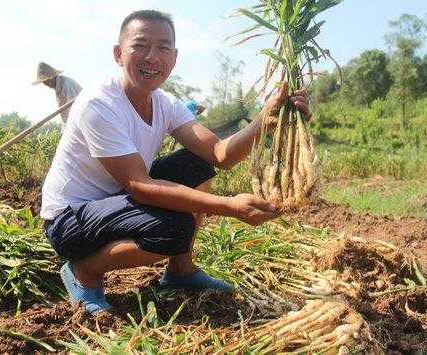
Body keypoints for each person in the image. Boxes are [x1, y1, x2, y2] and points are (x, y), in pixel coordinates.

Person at [40, 10, 311, 314]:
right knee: (173, 230)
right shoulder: (99, 104)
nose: (152, 57)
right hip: (70, 219)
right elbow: (140, 186)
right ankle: (84, 272)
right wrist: (230, 206)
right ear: (118, 53)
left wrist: (266, 119)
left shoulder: (165, 103)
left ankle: (181, 270)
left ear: (174, 57)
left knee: (197, 164)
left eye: (163, 48)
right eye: (140, 45)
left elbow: (220, 153)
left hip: (115, 201)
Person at [32, 62, 82, 128]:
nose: (45, 84)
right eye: (43, 82)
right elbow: (64, 115)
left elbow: (73, 112)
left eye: (45, 81)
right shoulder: (58, 88)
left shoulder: (67, 85)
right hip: (73, 124)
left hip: (81, 121)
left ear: (51, 77)